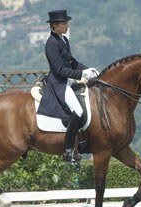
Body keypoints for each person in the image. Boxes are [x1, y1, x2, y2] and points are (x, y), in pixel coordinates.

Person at [37, 9, 99, 162]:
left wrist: (88, 69)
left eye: (66, 23)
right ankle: (68, 149)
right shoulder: (51, 43)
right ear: (54, 26)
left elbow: (72, 62)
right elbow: (59, 69)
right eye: (63, 24)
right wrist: (81, 75)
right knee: (77, 111)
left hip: (69, 81)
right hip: (59, 83)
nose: (67, 26)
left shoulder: (63, 40)